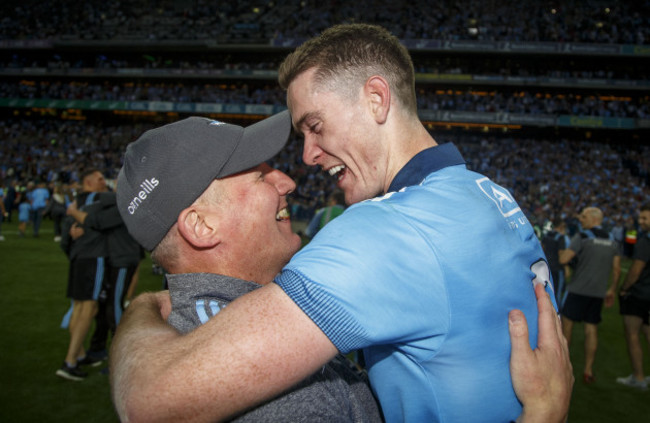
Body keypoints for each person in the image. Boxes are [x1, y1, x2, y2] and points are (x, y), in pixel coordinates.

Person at [110, 24, 573, 423]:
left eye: (315, 126)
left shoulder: (385, 233)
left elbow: (150, 402)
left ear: (375, 99)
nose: (306, 157)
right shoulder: (484, 193)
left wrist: (142, 307)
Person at [113, 113, 382, 422]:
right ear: (201, 225)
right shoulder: (277, 390)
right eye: (260, 175)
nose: (288, 182)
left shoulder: (199, 334)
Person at [66, 190, 144, 364]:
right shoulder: (118, 202)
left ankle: (120, 356)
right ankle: (99, 349)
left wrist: (73, 212)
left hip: (122, 261)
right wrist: (78, 228)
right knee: (103, 308)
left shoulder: (124, 204)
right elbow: (96, 223)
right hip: (114, 259)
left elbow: (98, 221)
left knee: (114, 307)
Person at [56, 169, 109, 381]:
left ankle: (77, 355)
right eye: (100, 178)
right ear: (88, 182)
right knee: (88, 307)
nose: (104, 182)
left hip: (78, 258)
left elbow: (67, 236)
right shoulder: (97, 202)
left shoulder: (76, 203)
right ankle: (69, 362)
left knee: (78, 306)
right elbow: (99, 223)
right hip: (93, 258)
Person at [559, 206, 621, 384]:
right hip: (598, 292)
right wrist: (611, 289)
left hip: (577, 289)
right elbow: (616, 269)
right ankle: (588, 370)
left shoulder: (583, 237)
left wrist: (561, 251)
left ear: (595, 218)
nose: (580, 219)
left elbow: (564, 259)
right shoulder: (612, 240)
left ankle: (563, 367)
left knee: (567, 327)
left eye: (584, 216)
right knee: (591, 329)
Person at [616, 204, 650, 390]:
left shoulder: (645, 241)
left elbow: (635, 270)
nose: (641, 222)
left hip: (639, 295)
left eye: (645, 218)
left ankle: (638, 377)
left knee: (633, 334)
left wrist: (624, 288)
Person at [541, 218, 571, 305]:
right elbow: (561, 253)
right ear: (562, 226)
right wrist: (566, 268)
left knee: (546, 289)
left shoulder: (546, 236)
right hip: (557, 268)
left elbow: (542, 249)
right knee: (557, 293)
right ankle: (557, 312)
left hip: (547, 267)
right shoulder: (560, 237)